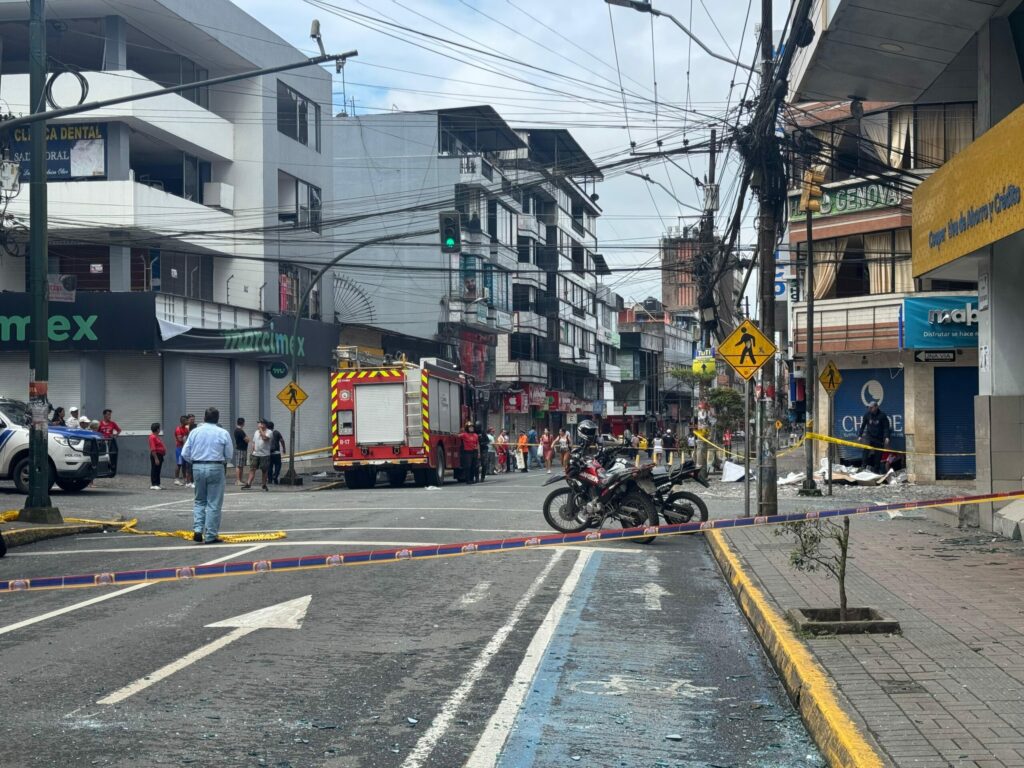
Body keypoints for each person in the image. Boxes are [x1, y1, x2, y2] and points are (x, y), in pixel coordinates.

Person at [181, 406, 233, 544]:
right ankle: (210, 535)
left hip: (197, 466)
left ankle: (198, 529)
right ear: (217, 419)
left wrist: (195, 462)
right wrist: (220, 462)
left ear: (204, 418)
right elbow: (229, 454)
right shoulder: (223, 433)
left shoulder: (194, 432)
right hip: (216, 466)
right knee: (214, 503)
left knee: (199, 500)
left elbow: (185, 453)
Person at [858, 401, 891, 474]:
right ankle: (863, 467)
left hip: (879, 438)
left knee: (878, 456)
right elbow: (863, 426)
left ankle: (876, 471)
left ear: (876, 407)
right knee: (865, 452)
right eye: (868, 408)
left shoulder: (882, 415)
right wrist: (860, 435)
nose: (869, 409)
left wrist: (887, 437)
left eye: (871, 408)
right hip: (869, 437)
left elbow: (886, 427)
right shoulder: (867, 415)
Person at [244, 418, 271, 490]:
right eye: (259, 423)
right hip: (255, 454)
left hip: (264, 455)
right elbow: (253, 442)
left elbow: (265, 438)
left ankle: (264, 484)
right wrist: (252, 451)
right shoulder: (256, 432)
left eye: (261, 423)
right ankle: (248, 483)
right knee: (252, 469)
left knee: (264, 470)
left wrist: (261, 430)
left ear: (265, 424)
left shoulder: (269, 432)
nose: (259, 425)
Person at [97, 409, 122, 474]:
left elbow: (119, 430)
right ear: (104, 415)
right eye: (108, 414)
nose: (110, 416)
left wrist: (115, 436)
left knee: (110, 456)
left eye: (110, 415)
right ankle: (100, 469)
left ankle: (110, 469)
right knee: (102, 455)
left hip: (110, 442)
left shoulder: (112, 423)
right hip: (102, 442)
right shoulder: (100, 423)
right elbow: (96, 432)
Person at [148, 422, 166, 490]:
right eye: (159, 428)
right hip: (155, 455)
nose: (160, 429)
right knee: (154, 469)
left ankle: (158, 483)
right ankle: (154, 484)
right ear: (157, 429)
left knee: (158, 470)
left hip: (160, 455)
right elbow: (153, 448)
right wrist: (156, 458)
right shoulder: (152, 437)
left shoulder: (156, 436)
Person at [268, 420, 285, 485]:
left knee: (270, 466)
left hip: (269, 453)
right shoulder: (276, 432)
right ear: (273, 426)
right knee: (278, 465)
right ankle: (275, 476)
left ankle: (269, 479)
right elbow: (282, 440)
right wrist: (284, 449)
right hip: (276, 453)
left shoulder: (266, 433)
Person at [232, 417, 249, 485]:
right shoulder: (240, 431)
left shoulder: (237, 430)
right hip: (240, 450)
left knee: (241, 465)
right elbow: (247, 440)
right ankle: (238, 480)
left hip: (242, 449)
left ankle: (240, 480)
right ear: (243, 423)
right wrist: (248, 438)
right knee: (239, 465)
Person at [173, 415, 189, 486]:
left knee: (184, 464)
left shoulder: (186, 429)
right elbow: (180, 440)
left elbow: (188, 438)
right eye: (186, 420)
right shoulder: (178, 429)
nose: (188, 421)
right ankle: (176, 479)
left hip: (184, 449)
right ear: (183, 421)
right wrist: (185, 439)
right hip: (179, 449)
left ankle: (185, 478)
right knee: (179, 464)